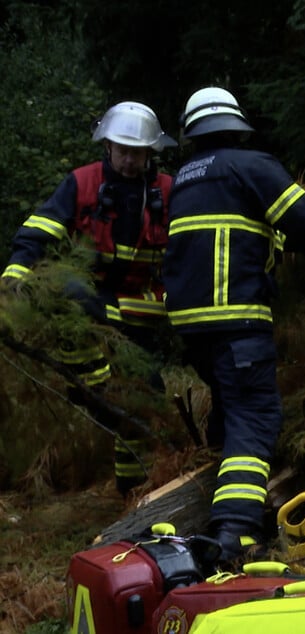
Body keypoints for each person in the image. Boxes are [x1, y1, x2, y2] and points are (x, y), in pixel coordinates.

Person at [162, 86, 305, 565]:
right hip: (238, 320)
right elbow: (300, 221)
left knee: (230, 410)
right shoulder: (251, 165)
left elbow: (252, 230)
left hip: (192, 328)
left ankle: (217, 504)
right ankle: (232, 533)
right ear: (237, 128)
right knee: (255, 418)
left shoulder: (185, 182)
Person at [2, 101, 177, 495]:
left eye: (138, 152)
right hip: (88, 301)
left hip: (142, 309)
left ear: (152, 152)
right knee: (68, 291)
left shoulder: (168, 192)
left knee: (145, 398)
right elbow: (38, 232)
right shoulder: (81, 183)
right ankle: (94, 387)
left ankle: (132, 489)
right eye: (123, 151)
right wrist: (14, 277)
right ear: (108, 147)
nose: (131, 161)